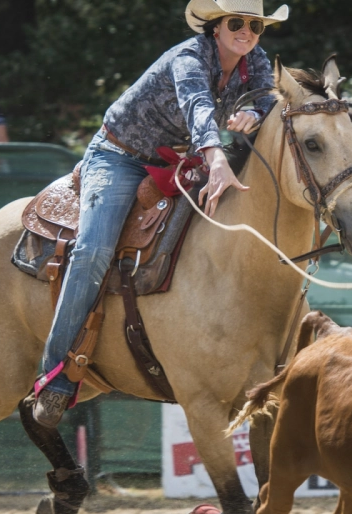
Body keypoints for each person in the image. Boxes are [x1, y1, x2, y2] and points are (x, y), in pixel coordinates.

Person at [31, 0, 288, 427]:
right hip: (119, 156)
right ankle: (55, 375)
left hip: (182, 160)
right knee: (93, 251)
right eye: (237, 22)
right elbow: (197, 105)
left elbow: (268, 97)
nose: (247, 32)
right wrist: (216, 158)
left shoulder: (256, 60)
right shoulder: (188, 57)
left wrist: (254, 111)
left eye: (256, 25)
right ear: (216, 26)